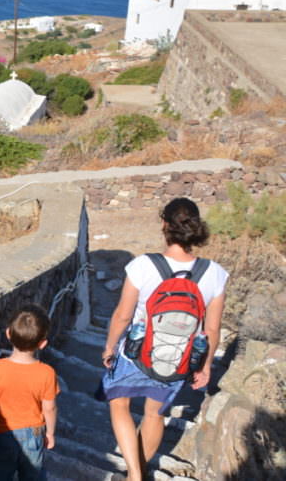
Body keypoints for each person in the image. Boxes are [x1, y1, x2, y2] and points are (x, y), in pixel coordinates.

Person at [98, 197, 228, 481]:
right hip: (179, 358)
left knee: (118, 403)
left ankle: (134, 473)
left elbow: (122, 314)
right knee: (155, 414)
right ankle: (139, 471)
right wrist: (205, 366)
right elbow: (213, 329)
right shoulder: (215, 273)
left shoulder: (143, 265)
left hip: (136, 353)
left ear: (164, 225)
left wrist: (109, 346)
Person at [0, 304, 59, 481]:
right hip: (33, 433)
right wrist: (50, 433)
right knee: (32, 475)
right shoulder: (46, 373)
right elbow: (50, 408)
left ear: (8, 333)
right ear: (43, 344)